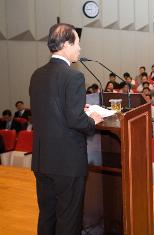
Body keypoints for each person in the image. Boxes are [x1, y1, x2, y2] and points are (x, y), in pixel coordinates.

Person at [29, 23, 103, 235]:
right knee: (68, 221)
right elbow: (76, 121)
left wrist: (76, 108)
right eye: (77, 43)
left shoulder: (37, 74)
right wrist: (92, 120)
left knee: (47, 217)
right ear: (66, 44)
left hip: (43, 161)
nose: (80, 48)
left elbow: (50, 111)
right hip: (67, 163)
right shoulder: (74, 77)